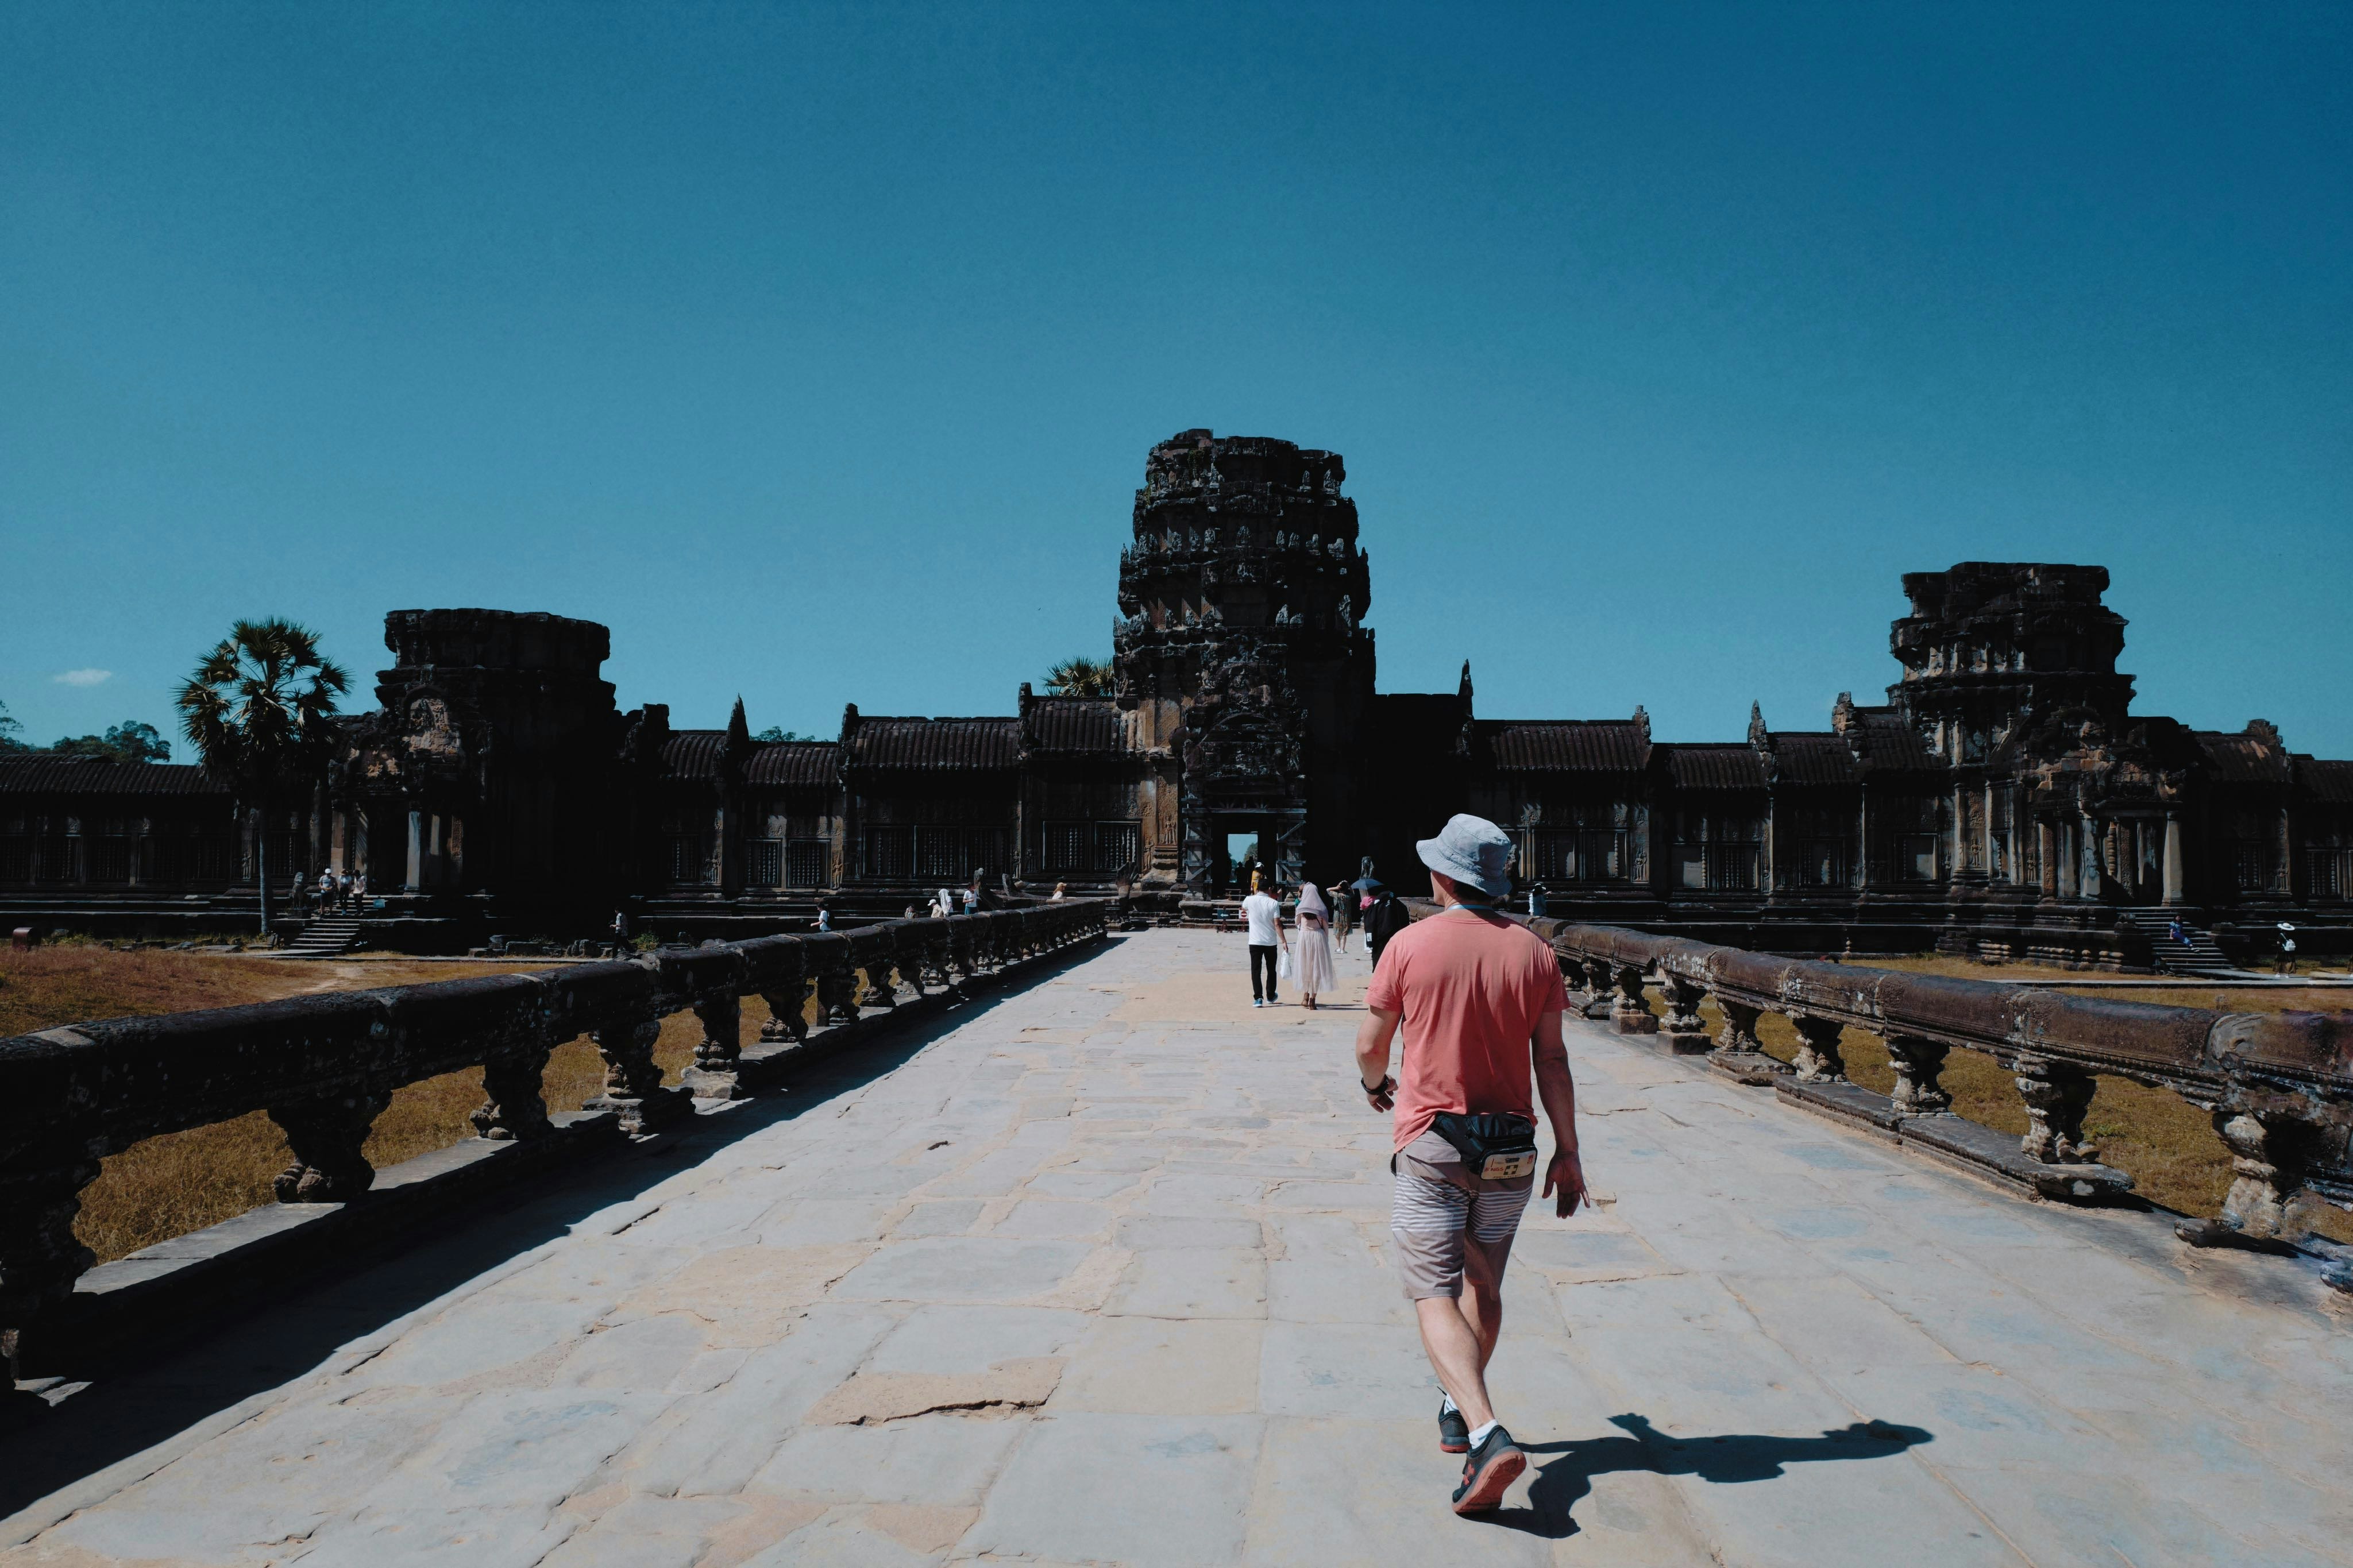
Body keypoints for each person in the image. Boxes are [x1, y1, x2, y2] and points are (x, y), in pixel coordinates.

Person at [1354, 813, 1583, 1516]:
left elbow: (1370, 1045)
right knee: (1483, 1283)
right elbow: (1551, 1059)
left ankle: (1484, 1432)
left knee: (1433, 1291)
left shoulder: (1409, 944)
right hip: (1513, 1147)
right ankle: (1457, 1407)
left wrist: (1373, 1086)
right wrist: (1569, 1153)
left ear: (1443, 876)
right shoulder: (1535, 954)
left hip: (1434, 1144)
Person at [1242, 878, 1287, 1007]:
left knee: (1256, 970)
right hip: (1270, 942)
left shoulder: (1249, 900)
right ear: (1270, 889)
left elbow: (1243, 907)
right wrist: (1284, 941)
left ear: (1257, 888)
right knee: (1271, 969)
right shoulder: (1273, 903)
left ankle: (1258, 998)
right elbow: (1277, 924)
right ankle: (1271, 995)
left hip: (1255, 941)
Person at [1294, 883, 1337, 1008]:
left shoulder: (1301, 908)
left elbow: (1297, 923)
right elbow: (1326, 928)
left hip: (1304, 937)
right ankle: (1313, 999)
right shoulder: (1322, 908)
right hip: (1318, 937)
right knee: (1317, 968)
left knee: (1305, 967)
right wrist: (1325, 941)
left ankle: (1305, 996)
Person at [1365, 884, 1411, 964]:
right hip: (1397, 940)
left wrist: (1370, 942)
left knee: (1380, 964)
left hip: (1380, 942)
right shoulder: (1399, 904)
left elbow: (1370, 924)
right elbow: (1405, 922)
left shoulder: (1375, 906)